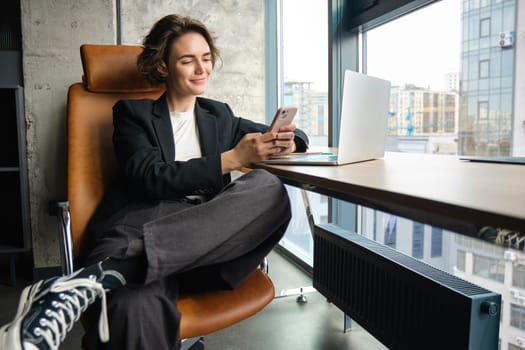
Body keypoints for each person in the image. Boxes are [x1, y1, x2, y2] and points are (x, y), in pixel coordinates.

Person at [0, 14, 308, 350]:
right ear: (163, 66)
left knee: (269, 189)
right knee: (132, 308)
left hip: (204, 246)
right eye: (187, 60)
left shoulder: (219, 115)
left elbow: (296, 136)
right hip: (138, 225)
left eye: (206, 59)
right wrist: (231, 159)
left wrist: (288, 142)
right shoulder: (133, 114)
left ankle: (95, 278)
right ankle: (113, 273)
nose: (201, 69)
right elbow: (149, 178)